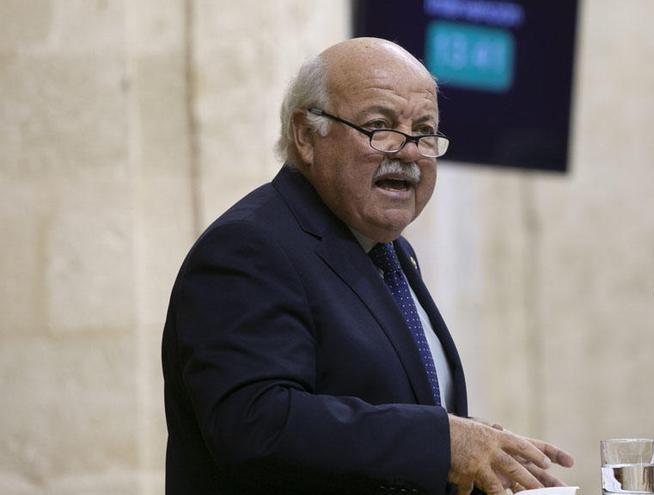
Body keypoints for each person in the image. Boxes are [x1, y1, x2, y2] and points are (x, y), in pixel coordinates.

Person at [162, 37, 574, 494]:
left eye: (424, 131)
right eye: (380, 126)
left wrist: (483, 451)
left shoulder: (388, 250)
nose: (409, 151)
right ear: (306, 134)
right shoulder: (249, 246)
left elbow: (383, 406)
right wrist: (443, 441)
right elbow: (258, 424)